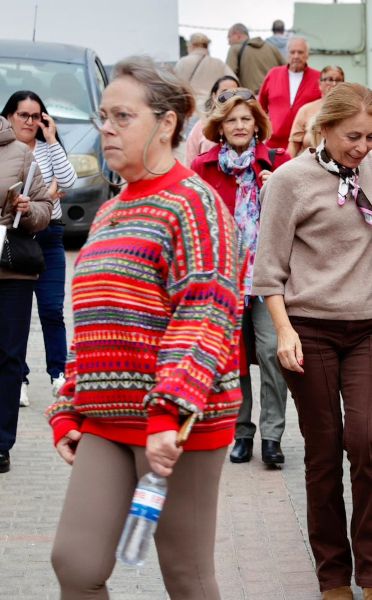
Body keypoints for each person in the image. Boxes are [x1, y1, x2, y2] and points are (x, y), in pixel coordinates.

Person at [46, 55, 243, 599]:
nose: (105, 128)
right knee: (76, 565)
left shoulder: (194, 204)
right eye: (102, 116)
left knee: (186, 575)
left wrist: (168, 409)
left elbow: (207, 310)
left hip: (178, 425)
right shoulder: (109, 214)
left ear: (166, 123)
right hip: (107, 420)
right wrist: (69, 404)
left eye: (122, 117)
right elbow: (92, 320)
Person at [252, 83, 372, 600]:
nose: (361, 146)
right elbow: (267, 271)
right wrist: (284, 332)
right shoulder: (288, 181)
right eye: (352, 136)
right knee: (324, 452)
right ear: (325, 128)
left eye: (371, 136)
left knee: (367, 440)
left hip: (371, 329)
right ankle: (333, 576)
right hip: (307, 329)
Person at [191, 88, 292, 465]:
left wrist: (274, 193)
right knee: (233, 358)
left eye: (246, 119)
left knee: (271, 352)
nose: (238, 125)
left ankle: (272, 436)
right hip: (224, 280)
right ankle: (242, 433)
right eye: (231, 119)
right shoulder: (202, 167)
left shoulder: (278, 165)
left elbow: (295, 219)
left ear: (257, 125)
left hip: (267, 277)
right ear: (220, 126)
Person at [1, 91, 77, 406]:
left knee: (51, 309)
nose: (31, 122)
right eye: (24, 115)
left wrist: (53, 138)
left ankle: (58, 375)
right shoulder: (4, 152)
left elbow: (69, 181)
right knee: (15, 315)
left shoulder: (46, 149)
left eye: (37, 116)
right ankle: (19, 378)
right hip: (15, 238)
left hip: (49, 237)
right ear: (9, 117)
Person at [0, 96, 51, 474]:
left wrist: (29, 209)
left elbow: (47, 210)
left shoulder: (19, 151)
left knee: (7, 357)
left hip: (9, 272)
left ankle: (0, 443)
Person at [259, 37, 322, 150]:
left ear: (308, 55)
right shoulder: (273, 74)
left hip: (304, 146)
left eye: (300, 52)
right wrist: (265, 128)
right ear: (287, 54)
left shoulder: (318, 78)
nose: (296, 56)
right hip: (273, 143)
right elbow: (260, 106)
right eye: (292, 52)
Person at [287, 65, 344, 157]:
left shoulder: (350, 111)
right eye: (329, 79)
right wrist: (286, 168)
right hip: (309, 164)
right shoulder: (305, 110)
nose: (334, 84)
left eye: (338, 80)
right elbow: (293, 145)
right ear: (320, 84)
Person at [174, 33, 236, 115]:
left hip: (190, 109)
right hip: (211, 108)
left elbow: (174, 87)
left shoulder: (182, 62)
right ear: (207, 46)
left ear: (192, 45)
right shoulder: (218, 63)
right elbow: (234, 81)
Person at [185, 74, 240, 166]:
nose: (230, 96)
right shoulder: (200, 127)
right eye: (225, 92)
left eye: (235, 92)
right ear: (214, 96)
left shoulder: (246, 125)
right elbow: (190, 163)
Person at [227, 23, 285, 94]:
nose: (228, 42)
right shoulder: (272, 48)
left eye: (229, 37)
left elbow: (229, 76)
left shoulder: (235, 49)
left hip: (249, 98)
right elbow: (287, 69)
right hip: (271, 96)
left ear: (237, 35)